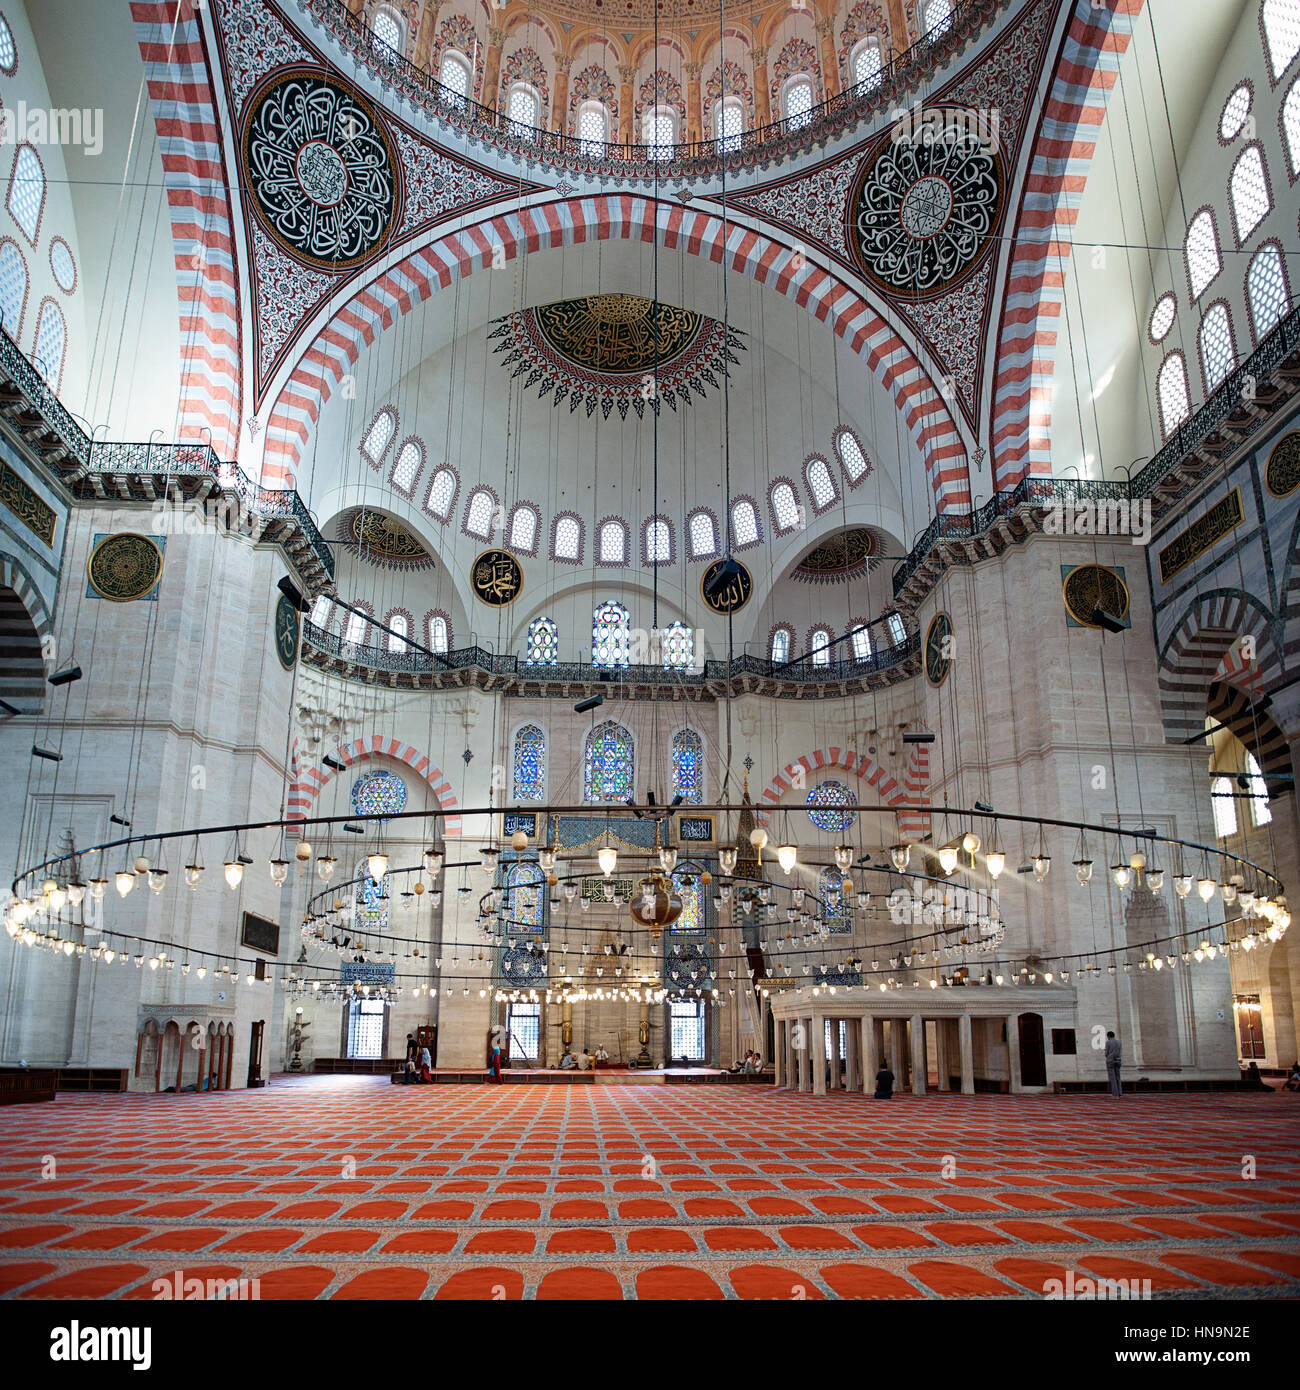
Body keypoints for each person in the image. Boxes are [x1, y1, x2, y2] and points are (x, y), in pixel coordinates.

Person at [1104, 1031, 1122, 1098]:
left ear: (1108, 1036)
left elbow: (1106, 1053)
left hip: (1111, 1060)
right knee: (1118, 1077)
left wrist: (1106, 1054)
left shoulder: (1108, 1042)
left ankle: (1115, 1094)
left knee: (1112, 1078)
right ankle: (1120, 1092)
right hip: (1118, 1060)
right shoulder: (1119, 1042)